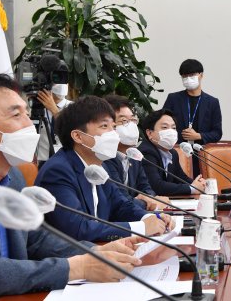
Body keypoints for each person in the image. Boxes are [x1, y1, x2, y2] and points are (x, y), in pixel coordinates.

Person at [0, 74, 169, 298]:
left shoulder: (13, 178)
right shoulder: (58, 170)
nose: (29, 125)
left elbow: (35, 240)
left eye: (28, 115)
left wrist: (94, 251)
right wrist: (79, 267)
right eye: (16, 115)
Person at [35, 96, 175, 242]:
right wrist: (142, 228)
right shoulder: (58, 171)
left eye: (113, 127)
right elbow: (78, 228)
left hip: (101, 249)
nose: (114, 134)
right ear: (77, 136)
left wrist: (150, 217)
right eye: (104, 126)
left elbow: (120, 205)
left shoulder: (100, 166)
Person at [102, 95, 170, 210]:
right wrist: (150, 203)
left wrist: (150, 198)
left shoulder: (134, 155)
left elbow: (145, 187)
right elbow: (121, 199)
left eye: (133, 120)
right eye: (123, 121)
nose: (131, 125)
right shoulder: (105, 157)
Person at [163, 59, 222, 176]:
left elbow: (217, 133)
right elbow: (162, 124)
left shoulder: (212, 102)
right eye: (184, 76)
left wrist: (198, 136)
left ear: (201, 75)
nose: (188, 79)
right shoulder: (173, 99)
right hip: (177, 152)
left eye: (192, 75)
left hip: (201, 155)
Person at [138, 109, 206, 196]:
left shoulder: (173, 153)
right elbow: (156, 186)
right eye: (165, 127)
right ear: (150, 133)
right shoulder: (146, 152)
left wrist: (199, 184)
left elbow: (181, 178)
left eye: (173, 128)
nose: (171, 132)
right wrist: (192, 188)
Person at [35, 84, 72, 167]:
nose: (61, 85)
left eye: (64, 82)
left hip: (65, 160)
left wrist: (55, 110)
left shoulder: (73, 107)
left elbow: (71, 131)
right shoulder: (37, 108)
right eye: (57, 81)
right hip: (41, 161)